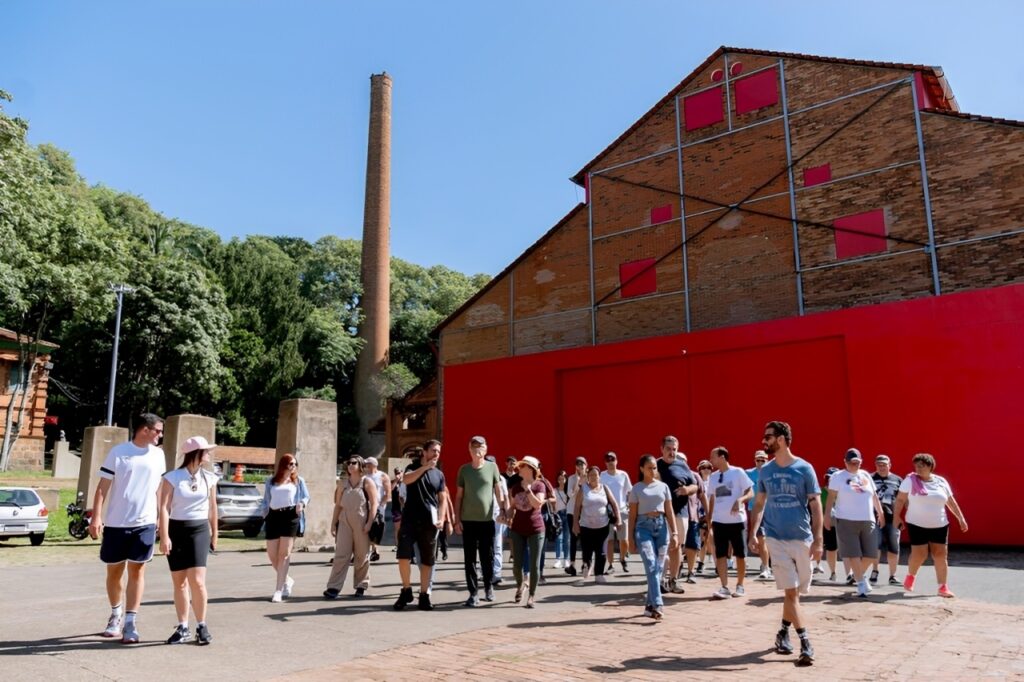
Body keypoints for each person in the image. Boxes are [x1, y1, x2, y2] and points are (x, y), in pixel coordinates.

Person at [748, 420, 822, 667]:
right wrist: (753, 533)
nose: (763, 441)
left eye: (767, 437)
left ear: (780, 439)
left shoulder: (804, 468)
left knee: (796, 594)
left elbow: (815, 504)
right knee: (790, 592)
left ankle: (782, 632)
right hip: (775, 538)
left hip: (802, 539)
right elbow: (759, 504)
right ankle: (806, 643)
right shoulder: (766, 471)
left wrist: (818, 539)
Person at [88, 413, 167, 644]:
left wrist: (162, 518)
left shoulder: (159, 455)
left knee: (137, 571)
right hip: (115, 523)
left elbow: (160, 490)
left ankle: (131, 622)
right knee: (114, 572)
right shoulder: (118, 453)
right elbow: (102, 487)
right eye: (158, 431)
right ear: (145, 429)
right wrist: (96, 517)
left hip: (145, 523)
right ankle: (115, 614)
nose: (160, 435)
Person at [157, 435, 218, 645]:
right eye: (206, 450)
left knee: (198, 582)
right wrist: (164, 536)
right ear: (196, 453)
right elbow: (164, 508)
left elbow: (213, 507)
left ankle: (202, 625)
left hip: (199, 529)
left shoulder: (209, 477)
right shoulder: (172, 477)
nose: (209, 454)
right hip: (176, 529)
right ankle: (183, 626)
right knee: (180, 582)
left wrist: (215, 533)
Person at [893, 453, 968, 598]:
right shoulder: (910, 480)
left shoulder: (941, 481)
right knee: (919, 554)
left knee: (940, 555)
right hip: (916, 523)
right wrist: (897, 517)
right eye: (916, 466)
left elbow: (950, 501)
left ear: (930, 466)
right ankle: (911, 575)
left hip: (939, 524)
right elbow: (900, 500)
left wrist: (961, 518)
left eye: (922, 466)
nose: (918, 469)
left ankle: (943, 587)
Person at [394, 439, 448, 611]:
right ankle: (406, 589)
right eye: (433, 450)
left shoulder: (439, 475)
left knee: (427, 560)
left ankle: (424, 595)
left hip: (429, 523)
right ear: (424, 452)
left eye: (438, 451)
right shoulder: (413, 467)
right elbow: (407, 480)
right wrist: (425, 467)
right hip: (409, 519)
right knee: (403, 556)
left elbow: (442, 499)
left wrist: (441, 517)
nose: (436, 454)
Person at [824, 448, 884, 598]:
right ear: (845, 462)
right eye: (852, 463)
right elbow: (831, 498)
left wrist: (880, 513)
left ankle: (859, 577)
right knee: (853, 554)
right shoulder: (838, 476)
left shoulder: (865, 475)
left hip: (867, 518)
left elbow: (874, 496)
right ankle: (862, 585)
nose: (855, 465)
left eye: (858, 462)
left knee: (871, 554)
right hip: (846, 519)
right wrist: (826, 516)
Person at [454, 435, 505, 607]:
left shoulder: (492, 467)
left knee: (487, 557)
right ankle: (473, 593)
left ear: (486, 449)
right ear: (469, 449)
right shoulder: (464, 470)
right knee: (469, 559)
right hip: (468, 521)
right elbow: (459, 497)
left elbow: (498, 491)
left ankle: (489, 587)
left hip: (486, 521)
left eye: (481, 446)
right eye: (474, 446)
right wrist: (456, 519)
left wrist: (504, 509)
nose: (477, 449)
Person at [628, 454, 678, 620]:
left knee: (658, 567)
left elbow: (669, 511)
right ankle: (658, 604)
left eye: (654, 467)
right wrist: (630, 539)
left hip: (662, 526)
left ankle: (649, 605)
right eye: (649, 467)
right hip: (643, 528)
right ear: (641, 468)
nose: (652, 470)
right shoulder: (636, 489)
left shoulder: (663, 487)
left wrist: (675, 532)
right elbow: (632, 515)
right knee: (650, 563)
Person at [323, 455, 377, 599]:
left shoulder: (367, 482)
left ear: (360, 466)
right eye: (349, 463)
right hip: (345, 520)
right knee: (341, 554)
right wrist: (333, 523)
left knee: (361, 555)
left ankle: (361, 585)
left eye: (354, 463)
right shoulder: (343, 483)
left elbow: (374, 504)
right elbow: (338, 505)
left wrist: (369, 523)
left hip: (362, 520)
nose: (350, 465)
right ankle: (333, 587)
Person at [706, 446, 754, 599]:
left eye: (713, 457)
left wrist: (741, 500)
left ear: (722, 457)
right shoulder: (713, 477)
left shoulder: (738, 472)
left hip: (737, 521)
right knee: (720, 554)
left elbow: (750, 492)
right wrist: (709, 519)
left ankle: (740, 586)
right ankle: (724, 587)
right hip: (719, 521)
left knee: (740, 554)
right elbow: (712, 498)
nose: (711, 460)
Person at [260, 454, 309, 602]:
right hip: (273, 517)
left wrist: (302, 504)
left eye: (295, 464)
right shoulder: (271, 481)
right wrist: (264, 513)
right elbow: (266, 500)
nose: (293, 466)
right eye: (290, 464)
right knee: (272, 554)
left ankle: (278, 590)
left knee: (284, 554)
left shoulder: (299, 481)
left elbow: (306, 496)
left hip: (290, 516)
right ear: (283, 465)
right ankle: (287, 580)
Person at [656, 436, 699, 594]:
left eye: (674, 449)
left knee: (676, 547)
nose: (672, 452)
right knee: (661, 548)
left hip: (680, 514)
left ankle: (673, 580)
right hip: (660, 513)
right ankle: (659, 580)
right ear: (662, 449)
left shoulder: (682, 465)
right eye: (668, 449)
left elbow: (695, 485)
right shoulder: (655, 465)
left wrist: (687, 490)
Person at [508, 456, 547, 607]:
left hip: (536, 529)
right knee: (517, 565)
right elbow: (513, 506)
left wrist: (528, 490)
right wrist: (506, 514)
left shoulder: (539, 486)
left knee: (534, 565)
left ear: (530, 469)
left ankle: (531, 595)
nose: (519, 468)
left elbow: (537, 505)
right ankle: (520, 584)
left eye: (522, 466)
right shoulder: (516, 486)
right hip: (517, 529)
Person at [573, 465, 619, 586]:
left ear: (600, 477)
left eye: (596, 475)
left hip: (603, 525)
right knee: (587, 550)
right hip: (586, 525)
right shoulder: (583, 489)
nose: (594, 477)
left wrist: (618, 519)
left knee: (601, 551)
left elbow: (614, 504)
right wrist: (575, 524)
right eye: (591, 475)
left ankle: (599, 574)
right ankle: (587, 565)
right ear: (588, 477)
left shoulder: (605, 488)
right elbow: (577, 507)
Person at [871, 454, 902, 585]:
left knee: (894, 546)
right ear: (875, 466)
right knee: (875, 545)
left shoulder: (897, 480)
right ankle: (874, 571)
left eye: (884, 465)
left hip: (892, 517)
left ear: (890, 465)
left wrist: (901, 516)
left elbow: (902, 499)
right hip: (873, 516)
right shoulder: (870, 478)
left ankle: (893, 575)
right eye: (879, 465)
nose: (882, 467)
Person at [600, 451, 632, 574]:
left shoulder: (623, 475)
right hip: (607, 512)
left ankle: (623, 559)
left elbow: (629, 491)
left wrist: (629, 504)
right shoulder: (602, 475)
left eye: (612, 460)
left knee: (624, 540)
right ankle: (610, 564)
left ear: (616, 461)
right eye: (608, 460)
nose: (610, 462)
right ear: (605, 463)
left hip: (622, 510)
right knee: (609, 540)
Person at [747, 450, 772, 581]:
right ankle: (766, 567)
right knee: (761, 538)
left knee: (772, 540)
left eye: (763, 460)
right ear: (754, 460)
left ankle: (770, 564)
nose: (761, 462)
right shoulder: (748, 474)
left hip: (773, 511)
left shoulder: (773, 473)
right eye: (758, 460)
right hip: (755, 510)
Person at [486, 454, 509, 586]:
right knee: (485, 545)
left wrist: (506, 513)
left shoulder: (501, 479)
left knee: (497, 544)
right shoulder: (481, 476)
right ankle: (486, 571)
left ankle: (497, 573)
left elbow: (505, 497)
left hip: (497, 514)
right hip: (483, 515)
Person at [564, 456, 587, 576]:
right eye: (578, 465)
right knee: (573, 537)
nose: (580, 467)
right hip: (572, 511)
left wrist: (585, 479)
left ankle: (585, 563)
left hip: (585, 512)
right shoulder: (572, 478)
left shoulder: (590, 478)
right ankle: (572, 564)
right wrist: (578, 480)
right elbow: (571, 494)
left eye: (582, 464)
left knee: (584, 538)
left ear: (586, 465)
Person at [363, 457, 390, 562]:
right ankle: (374, 551)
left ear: (374, 465)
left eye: (368, 464)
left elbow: (388, 493)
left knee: (375, 527)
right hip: (366, 506)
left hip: (378, 506)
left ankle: (372, 550)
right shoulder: (364, 477)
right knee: (367, 528)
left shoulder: (382, 476)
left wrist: (381, 506)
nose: (366, 466)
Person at [819, 468, 840, 581]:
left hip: (844, 523)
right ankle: (833, 572)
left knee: (848, 550)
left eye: (833, 477)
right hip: (828, 524)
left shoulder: (844, 491)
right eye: (828, 478)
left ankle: (850, 573)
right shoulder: (822, 492)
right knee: (831, 549)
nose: (830, 480)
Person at [695, 459, 714, 574]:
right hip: (700, 514)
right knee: (702, 538)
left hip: (713, 513)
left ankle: (715, 559)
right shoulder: (697, 482)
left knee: (711, 538)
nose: (706, 470)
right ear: (699, 470)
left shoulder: (714, 482)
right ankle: (700, 563)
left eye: (708, 468)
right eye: (703, 467)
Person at [552, 470, 570, 569]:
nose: (561, 481)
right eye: (559, 479)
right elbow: (553, 503)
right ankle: (558, 559)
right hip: (558, 514)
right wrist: (554, 512)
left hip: (567, 514)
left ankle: (566, 559)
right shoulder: (555, 490)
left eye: (563, 479)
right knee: (559, 538)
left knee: (567, 539)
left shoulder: (568, 491)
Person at [390, 466, 406, 544]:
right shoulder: (393, 482)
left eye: (399, 472)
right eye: (396, 473)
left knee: (406, 527)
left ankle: (405, 544)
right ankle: (398, 545)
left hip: (405, 508)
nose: (398, 474)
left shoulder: (406, 482)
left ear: (402, 473)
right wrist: (396, 481)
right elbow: (390, 490)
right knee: (397, 528)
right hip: (396, 508)